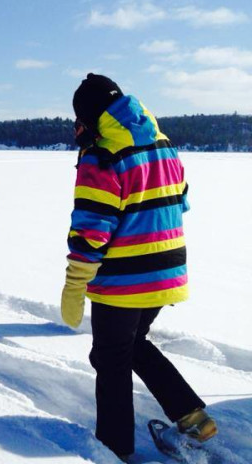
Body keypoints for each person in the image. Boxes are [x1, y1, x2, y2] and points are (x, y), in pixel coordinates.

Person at [61, 74, 217, 459]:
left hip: (123, 281)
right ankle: (190, 413)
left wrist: (73, 287)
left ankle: (114, 448)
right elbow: (181, 199)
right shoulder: (162, 144)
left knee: (110, 359)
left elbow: (90, 233)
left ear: (90, 118)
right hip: (168, 271)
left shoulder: (102, 156)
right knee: (132, 345)